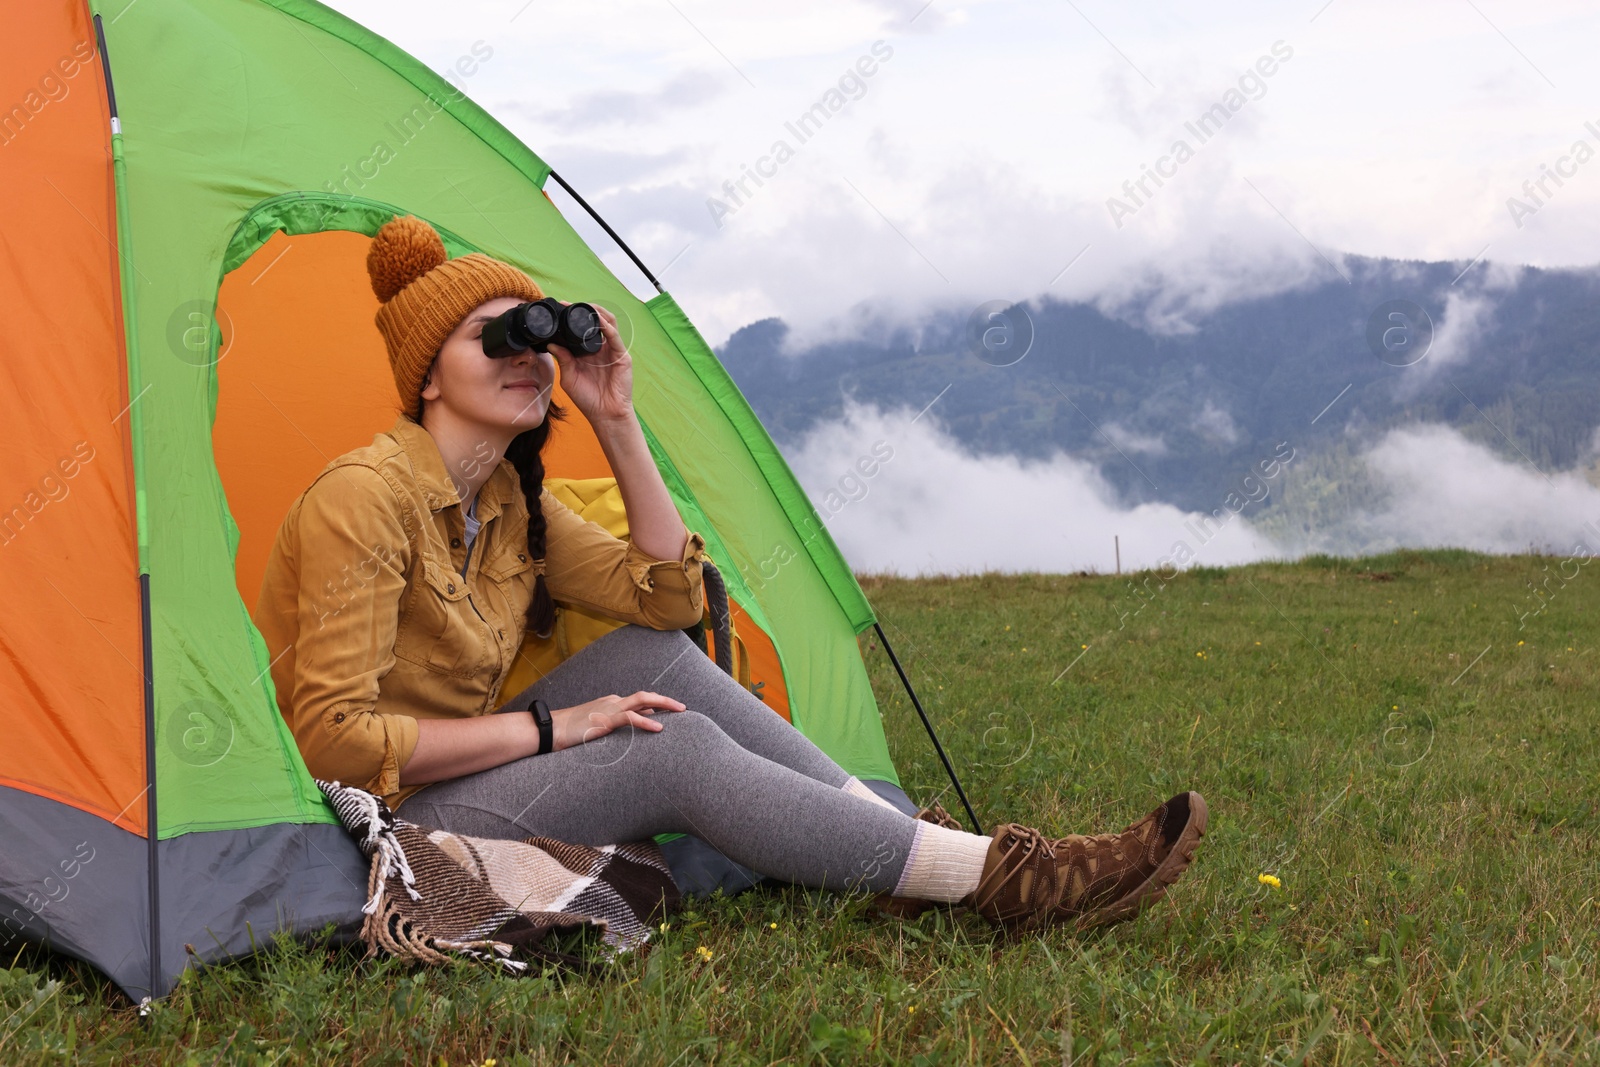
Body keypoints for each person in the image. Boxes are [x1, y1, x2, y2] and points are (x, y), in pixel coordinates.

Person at [252, 214, 1208, 933]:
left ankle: (903, 848)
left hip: (476, 757)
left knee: (651, 659)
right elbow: (334, 739)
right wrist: (553, 726)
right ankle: (996, 880)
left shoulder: (508, 500)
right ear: (428, 376)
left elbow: (670, 600)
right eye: (494, 338)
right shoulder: (363, 499)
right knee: (673, 747)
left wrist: (617, 420)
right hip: (393, 812)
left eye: (537, 336)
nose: (530, 357)